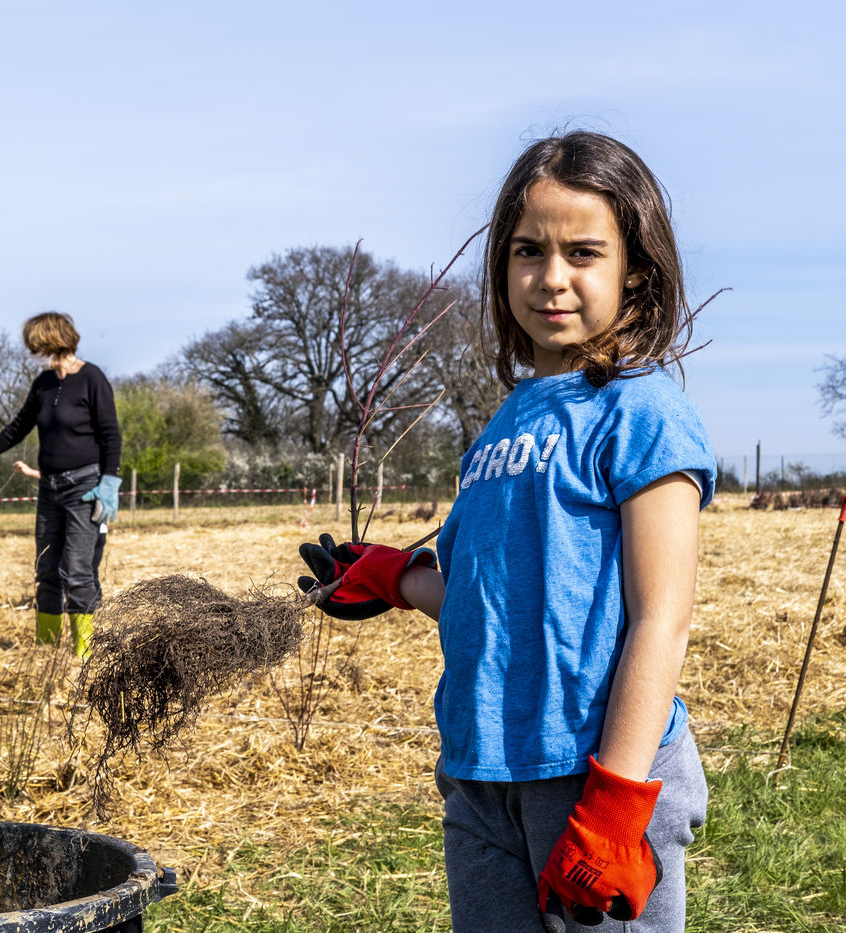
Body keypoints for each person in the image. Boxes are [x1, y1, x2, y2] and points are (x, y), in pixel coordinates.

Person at [298, 131, 715, 931]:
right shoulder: (504, 426)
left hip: (598, 775)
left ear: (636, 267)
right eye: (529, 251)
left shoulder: (642, 412)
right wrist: (392, 577)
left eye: (583, 252)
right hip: (482, 773)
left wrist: (617, 801)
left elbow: (662, 618)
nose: (551, 277)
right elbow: (482, 591)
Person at [0, 312, 121, 658]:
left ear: (53, 343)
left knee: (77, 571)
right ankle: (46, 651)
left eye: (35, 347)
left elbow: (110, 435)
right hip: (49, 489)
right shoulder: (43, 383)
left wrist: (109, 483)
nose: (31, 354)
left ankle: (84, 654)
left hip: (85, 487)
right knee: (46, 569)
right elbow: (17, 428)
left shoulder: (92, 378)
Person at [13, 459, 108, 606]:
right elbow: (60, 479)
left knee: (85, 570)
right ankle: (89, 602)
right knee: (84, 570)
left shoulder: (94, 481)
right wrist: (30, 472)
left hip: (94, 532)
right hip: (96, 531)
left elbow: (62, 480)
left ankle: (91, 604)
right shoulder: (99, 477)